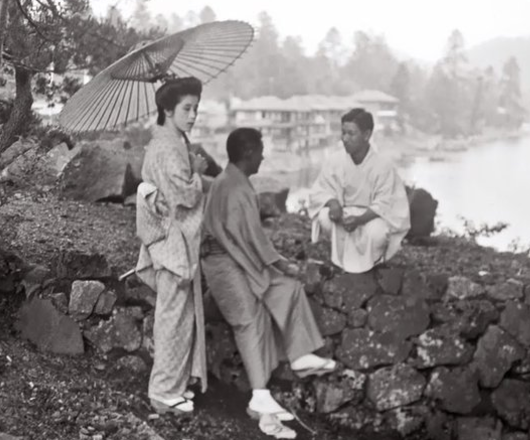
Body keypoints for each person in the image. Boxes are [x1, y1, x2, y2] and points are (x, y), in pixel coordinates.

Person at [201, 128, 337, 425]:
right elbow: (250, 237)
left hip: (237, 257)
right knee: (248, 319)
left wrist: (277, 265)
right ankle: (260, 395)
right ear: (249, 152)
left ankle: (299, 355)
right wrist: (280, 263)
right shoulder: (232, 186)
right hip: (222, 261)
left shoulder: (236, 182)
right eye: (260, 152)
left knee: (287, 289)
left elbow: (248, 237)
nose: (263, 158)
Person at [135, 76, 211, 415]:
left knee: (181, 317)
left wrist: (190, 165)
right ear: (167, 110)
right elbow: (184, 196)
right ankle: (163, 391)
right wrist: (197, 173)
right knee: (171, 319)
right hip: (171, 241)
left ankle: (175, 386)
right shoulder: (166, 147)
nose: (193, 115)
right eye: (186, 108)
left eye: (196, 108)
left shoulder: (171, 140)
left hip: (174, 239)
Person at [307, 108, 411, 273]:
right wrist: (333, 203)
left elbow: (385, 203)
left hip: (371, 217)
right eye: (343, 133)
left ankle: (374, 261)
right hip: (344, 215)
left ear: (366, 135)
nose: (345, 139)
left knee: (377, 232)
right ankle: (340, 259)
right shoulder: (335, 160)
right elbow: (320, 189)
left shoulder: (383, 165)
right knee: (324, 217)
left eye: (351, 134)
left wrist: (360, 219)